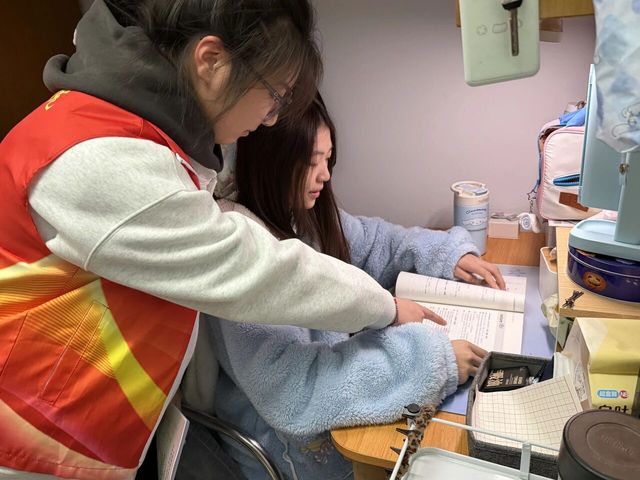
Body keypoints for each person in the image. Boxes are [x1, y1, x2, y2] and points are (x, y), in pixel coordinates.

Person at [0, 1, 484, 478]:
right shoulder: (96, 159)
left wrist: (437, 258)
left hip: (95, 422)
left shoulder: (144, 137)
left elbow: (356, 241)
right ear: (211, 62)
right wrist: (387, 310)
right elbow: (260, 273)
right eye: (275, 95)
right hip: (37, 440)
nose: (272, 117)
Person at [180, 96, 500, 479]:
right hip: (291, 451)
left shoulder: (303, 215)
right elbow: (297, 391)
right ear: (271, 161)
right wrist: (432, 361)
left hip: (329, 417)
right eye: (311, 162)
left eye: (328, 160)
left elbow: (377, 242)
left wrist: (446, 253)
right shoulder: (241, 255)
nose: (325, 176)